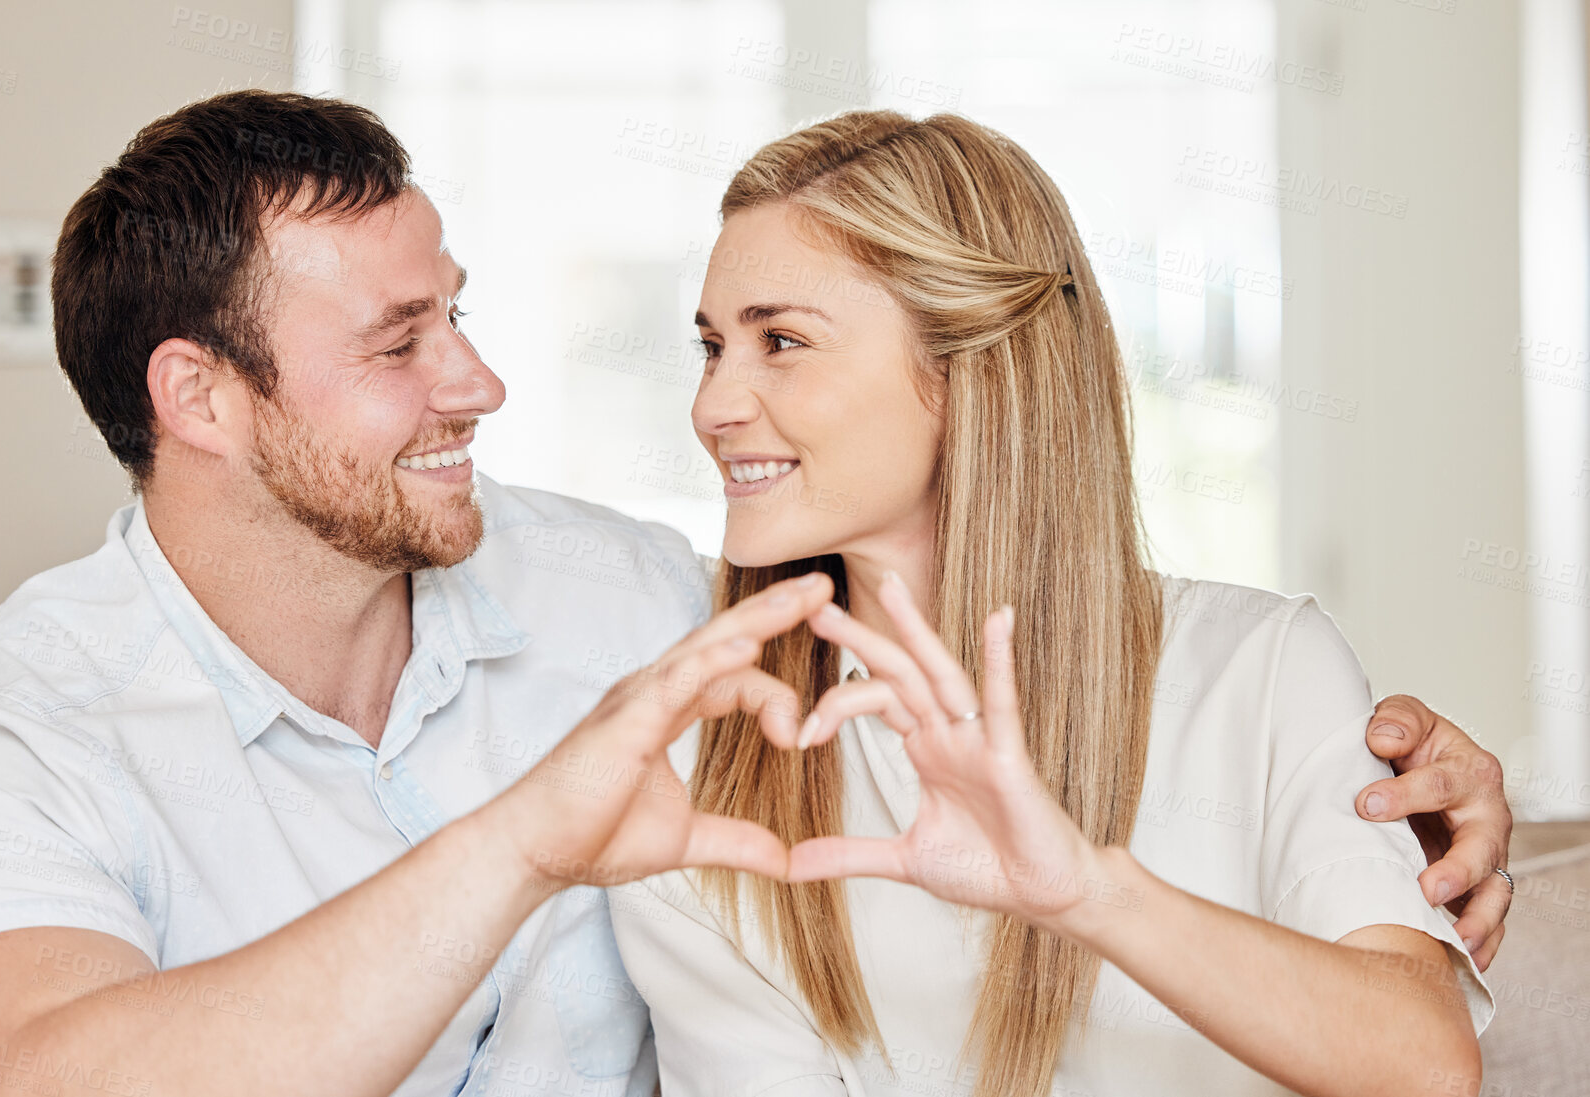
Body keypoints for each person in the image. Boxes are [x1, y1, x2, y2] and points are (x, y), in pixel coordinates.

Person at [0, 91, 1512, 1097]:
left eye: (460, 314)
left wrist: (1436, 796)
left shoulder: (662, 619)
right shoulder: (13, 734)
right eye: (399, 345)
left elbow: (1395, 1022)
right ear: (202, 400)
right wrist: (520, 845)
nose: (483, 382)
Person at [605, 110, 1507, 1097]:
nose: (712, 406)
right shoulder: (704, 782)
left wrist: (1087, 890)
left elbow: (1424, 1064)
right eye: (710, 346)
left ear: (965, 369)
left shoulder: (1261, 672)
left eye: (779, 339)